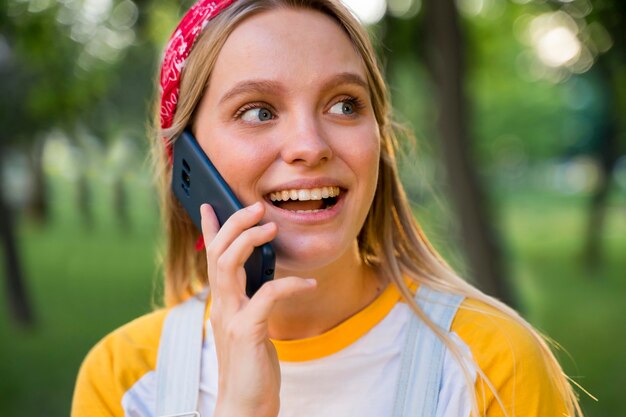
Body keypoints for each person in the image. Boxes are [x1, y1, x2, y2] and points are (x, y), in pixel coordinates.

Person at [71, 1, 584, 416]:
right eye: (258, 111)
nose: (310, 145)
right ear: (188, 159)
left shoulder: (492, 364)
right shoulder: (125, 379)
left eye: (344, 104)